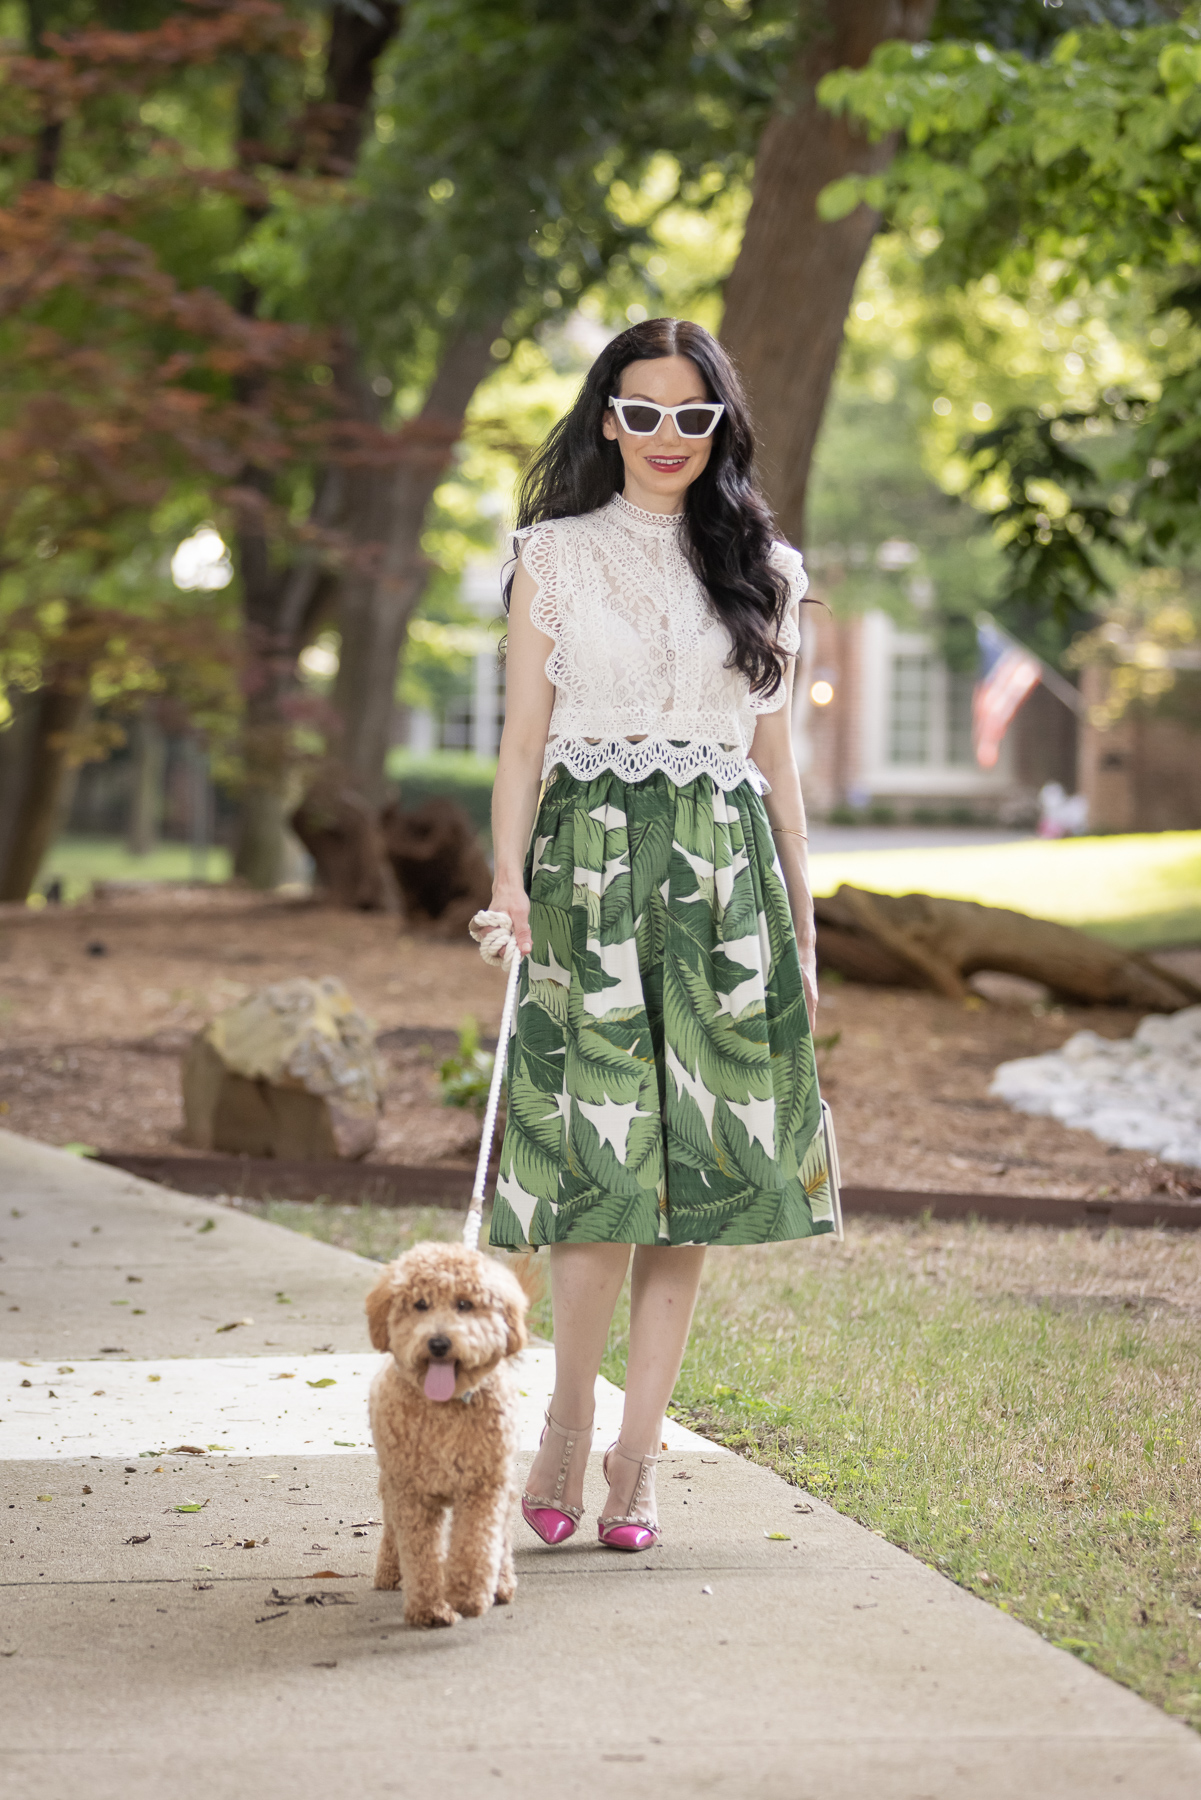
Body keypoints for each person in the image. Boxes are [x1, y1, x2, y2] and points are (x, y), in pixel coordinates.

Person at [485, 316, 835, 1554]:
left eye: (693, 415)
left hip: (724, 883)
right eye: (643, 412)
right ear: (607, 420)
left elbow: (775, 765)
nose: (668, 436)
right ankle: (563, 1431)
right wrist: (507, 883)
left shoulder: (767, 571)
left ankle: (639, 1465)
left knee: (693, 1182)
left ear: (719, 425)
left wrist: (800, 922)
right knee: (599, 1169)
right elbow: (523, 742)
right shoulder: (554, 555)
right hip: (587, 874)